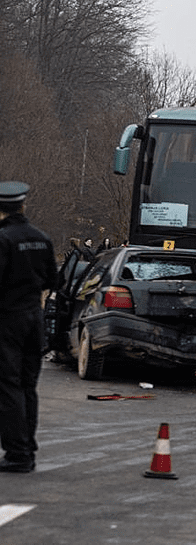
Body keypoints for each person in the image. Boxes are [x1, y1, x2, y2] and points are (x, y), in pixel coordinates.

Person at [0, 181, 57, 473]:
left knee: (8, 387)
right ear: (23, 206)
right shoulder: (42, 238)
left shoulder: (4, 239)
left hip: (8, 319)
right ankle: (28, 449)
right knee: (28, 386)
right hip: (35, 317)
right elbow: (52, 280)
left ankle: (17, 453)